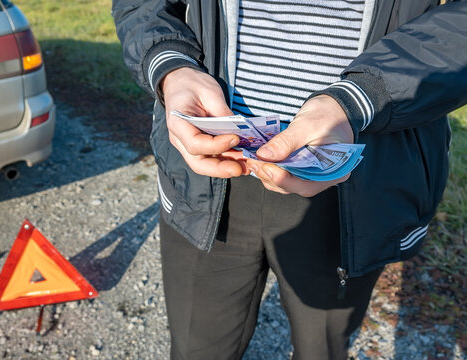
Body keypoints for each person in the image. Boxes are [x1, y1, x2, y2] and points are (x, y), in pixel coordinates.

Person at [113, 1, 467, 359]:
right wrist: (171, 66)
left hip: (351, 179)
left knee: (322, 351)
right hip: (206, 173)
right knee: (196, 350)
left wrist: (359, 100)